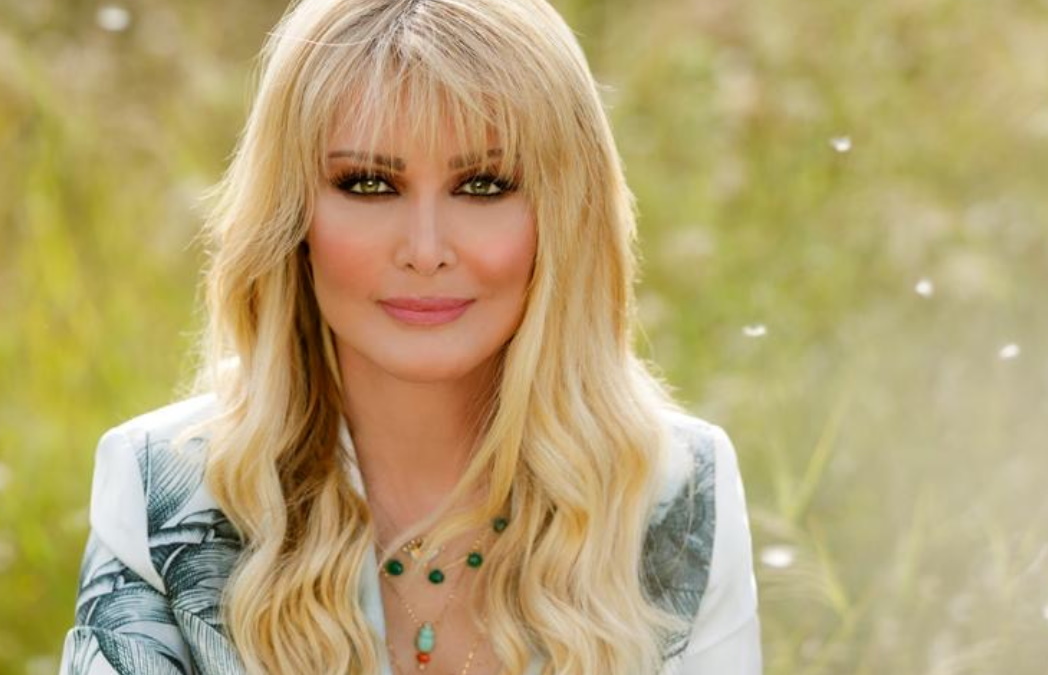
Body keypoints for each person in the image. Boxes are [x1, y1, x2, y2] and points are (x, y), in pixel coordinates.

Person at [58, 0, 762, 673]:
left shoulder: (675, 492)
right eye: (368, 184)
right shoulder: (165, 490)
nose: (425, 251)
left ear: (566, 213)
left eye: (484, 185)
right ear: (292, 216)